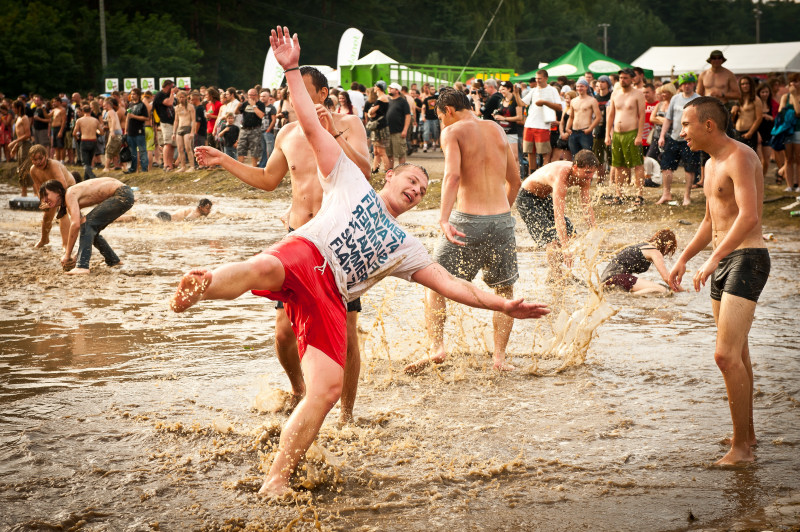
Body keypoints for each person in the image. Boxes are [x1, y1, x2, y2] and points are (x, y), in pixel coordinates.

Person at [177, 26, 550, 499]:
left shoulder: (404, 245)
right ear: (390, 176)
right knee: (267, 267)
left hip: (333, 296)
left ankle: (276, 479)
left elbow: (451, 285)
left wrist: (502, 305)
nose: (415, 189)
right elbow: (311, 126)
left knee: (327, 391)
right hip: (306, 252)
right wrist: (292, 69)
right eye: (411, 180)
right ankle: (204, 283)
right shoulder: (350, 179)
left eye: (421, 191)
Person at [194, 64, 369, 425]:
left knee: (347, 333)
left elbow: (364, 172)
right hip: (297, 240)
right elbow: (268, 179)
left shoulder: (349, 125)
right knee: (283, 333)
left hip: (337, 242)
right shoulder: (288, 132)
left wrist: (333, 132)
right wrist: (224, 159)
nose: (295, 99)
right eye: (292, 92)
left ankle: (348, 416)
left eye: (303, 91)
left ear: (323, 95)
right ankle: (299, 390)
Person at [668, 97, 770, 466]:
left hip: (747, 259)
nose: (682, 132)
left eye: (686, 125)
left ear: (708, 125)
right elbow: (712, 222)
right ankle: (748, 434)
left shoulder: (740, 157)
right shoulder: (711, 165)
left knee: (724, 356)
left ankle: (741, 450)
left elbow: (749, 217)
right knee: (738, 353)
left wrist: (712, 259)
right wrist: (683, 258)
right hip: (724, 260)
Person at [403, 87, 523, 375]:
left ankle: (437, 348)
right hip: (502, 221)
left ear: (449, 110)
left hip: (467, 218)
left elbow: (453, 175)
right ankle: (499, 359)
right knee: (504, 289)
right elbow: (516, 180)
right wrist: (500, 215)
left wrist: (444, 219)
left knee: (436, 281)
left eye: (441, 117)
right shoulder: (496, 128)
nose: (442, 122)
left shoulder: (453, 131)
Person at [516, 151, 599, 278]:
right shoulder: (561, 176)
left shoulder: (585, 178)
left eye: (593, 172)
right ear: (575, 167)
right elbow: (558, 217)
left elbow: (586, 207)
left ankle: (555, 273)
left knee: (571, 234)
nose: (590, 176)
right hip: (527, 198)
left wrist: (595, 230)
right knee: (553, 240)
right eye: (587, 172)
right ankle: (556, 277)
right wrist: (565, 249)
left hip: (544, 198)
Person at [39, 177, 135, 275]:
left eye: (46, 195)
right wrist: (77, 255)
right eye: (42, 198)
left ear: (58, 191)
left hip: (122, 194)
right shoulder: (69, 200)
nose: (45, 200)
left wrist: (67, 255)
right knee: (91, 228)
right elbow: (84, 230)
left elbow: (75, 225)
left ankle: (82, 266)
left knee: (88, 224)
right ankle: (113, 260)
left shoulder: (69, 194)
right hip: (125, 194)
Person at [657, 73, 701, 206]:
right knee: (666, 166)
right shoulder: (675, 98)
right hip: (674, 137)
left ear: (693, 84)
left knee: (690, 168)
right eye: (684, 83)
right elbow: (668, 119)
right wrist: (662, 135)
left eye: (689, 83)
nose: (686, 86)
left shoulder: (699, 99)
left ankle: (686, 196)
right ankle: (666, 193)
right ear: (680, 85)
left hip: (690, 139)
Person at [605, 68, 646, 205]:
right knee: (618, 165)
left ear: (632, 79)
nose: (623, 80)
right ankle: (619, 194)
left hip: (632, 132)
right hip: (617, 134)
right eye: (621, 78)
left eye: (626, 78)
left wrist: (639, 135)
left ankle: (639, 195)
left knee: (637, 165)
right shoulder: (615, 94)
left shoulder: (638, 94)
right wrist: (607, 135)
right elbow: (610, 115)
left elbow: (641, 116)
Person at [28, 144, 78, 248]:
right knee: (47, 216)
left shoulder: (53, 165)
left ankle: (65, 244)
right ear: (31, 160)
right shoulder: (33, 170)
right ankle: (44, 239)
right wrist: (44, 202)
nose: (38, 162)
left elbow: (63, 185)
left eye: (40, 159)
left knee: (62, 213)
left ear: (46, 156)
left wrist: (54, 200)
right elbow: (39, 190)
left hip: (67, 188)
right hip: (51, 192)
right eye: (34, 159)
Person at [601, 229, 679, 295]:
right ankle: (631, 297)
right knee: (663, 290)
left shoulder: (643, 245)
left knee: (658, 287)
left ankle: (628, 295)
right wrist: (682, 290)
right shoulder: (655, 252)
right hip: (617, 278)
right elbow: (667, 278)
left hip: (606, 280)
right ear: (668, 245)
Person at [777, 73, 800, 192]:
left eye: (796, 81)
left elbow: (798, 112)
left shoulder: (796, 95)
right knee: (788, 158)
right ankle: (789, 185)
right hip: (787, 131)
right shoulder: (785, 97)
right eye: (792, 81)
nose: (793, 84)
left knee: (799, 159)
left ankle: (799, 185)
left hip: (798, 130)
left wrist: (795, 96)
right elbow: (781, 112)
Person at [566, 79, 601, 157]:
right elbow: (571, 117)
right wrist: (567, 128)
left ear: (586, 87)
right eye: (578, 86)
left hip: (585, 132)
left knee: (587, 156)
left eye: (581, 86)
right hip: (574, 132)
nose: (579, 88)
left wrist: (590, 129)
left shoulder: (592, 100)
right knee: (575, 157)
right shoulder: (573, 101)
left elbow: (598, 117)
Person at [730, 76, 762, 153]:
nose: (745, 86)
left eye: (747, 83)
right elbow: (733, 119)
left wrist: (750, 132)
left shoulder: (756, 99)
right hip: (737, 132)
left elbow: (759, 118)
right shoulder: (738, 98)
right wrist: (733, 112)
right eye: (742, 84)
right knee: (738, 157)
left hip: (749, 133)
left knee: (749, 158)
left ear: (751, 85)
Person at [237, 88, 266, 166]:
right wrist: (238, 106)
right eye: (249, 95)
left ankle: (254, 168)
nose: (250, 97)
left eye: (252, 95)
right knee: (241, 149)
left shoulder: (260, 104)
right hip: (244, 129)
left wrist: (253, 106)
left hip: (255, 129)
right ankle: (240, 168)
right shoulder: (245, 104)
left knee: (255, 150)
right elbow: (237, 112)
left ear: (256, 95)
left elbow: (261, 115)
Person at [9, 100, 32, 195]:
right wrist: (15, 146)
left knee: (25, 169)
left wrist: (14, 141)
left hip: (26, 145)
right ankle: (24, 193)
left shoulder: (24, 118)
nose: (12, 109)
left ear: (18, 108)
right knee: (21, 170)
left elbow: (28, 134)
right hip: (20, 145)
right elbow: (20, 135)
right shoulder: (18, 117)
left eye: (13, 107)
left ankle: (35, 193)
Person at [73, 105, 101, 181]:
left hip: (84, 141)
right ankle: (86, 179)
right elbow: (101, 132)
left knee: (85, 163)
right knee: (88, 161)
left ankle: (92, 176)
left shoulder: (79, 120)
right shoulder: (95, 120)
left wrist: (77, 139)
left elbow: (74, 133)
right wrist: (96, 131)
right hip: (93, 141)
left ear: (82, 111)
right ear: (91, 111)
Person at [386, 83, 411, 168]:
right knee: (389, 154)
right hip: (387, 132)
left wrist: (405, 130)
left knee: (401, 154)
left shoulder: (403, 102)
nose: (389, 89)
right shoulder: (387, 100)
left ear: (397, 90)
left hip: (398, 132)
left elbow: (408, 116)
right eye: (389, 88)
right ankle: (390, 171)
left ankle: (401, 171)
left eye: (391, 88)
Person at [153, 79, 177, 171]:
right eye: (172, 86)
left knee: (173, 145)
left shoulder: (168, 95)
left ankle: (170, 164)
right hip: (165, 122)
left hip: (172, 122)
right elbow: (169, 102)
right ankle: (166, 164)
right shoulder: (160, 95)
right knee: (167, 144)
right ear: (168, 86)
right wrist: (172, 93)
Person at [125, 88, 149, 174]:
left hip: (139, 132)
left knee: (142, 151)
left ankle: (144, 169)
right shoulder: (130, 105)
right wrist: (126, 131)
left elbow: (146, 118)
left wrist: (134, 116)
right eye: (131, 94)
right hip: (130, 132)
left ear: (138, 95)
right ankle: (133, 169)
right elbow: (127, 117)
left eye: (134, 94)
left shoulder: (142, 105)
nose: (132, 96)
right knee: (132, 152)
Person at [173, 91, 197, 172]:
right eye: (180, 97)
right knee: (180, 148)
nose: (181, 99)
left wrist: (192, 132)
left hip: (187, 128)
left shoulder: (190, 107)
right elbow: (176, 121)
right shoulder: (177, 108)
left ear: (186, 97)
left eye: (183, 97)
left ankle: (192, 166)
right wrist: (174, 132)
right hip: (180, 128)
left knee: (188, 148)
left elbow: (193, 120)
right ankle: (183, 166)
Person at [103, 98, 123, 172]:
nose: (103, 107)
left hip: (115, 132)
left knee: (109, 150)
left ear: (108, 105)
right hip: (118, 132)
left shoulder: (110, 112)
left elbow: (114, 120)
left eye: (104, 105)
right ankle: (116, 166)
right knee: (115, 151)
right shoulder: (113, 111)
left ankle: (106, 167)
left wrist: (112, 130)